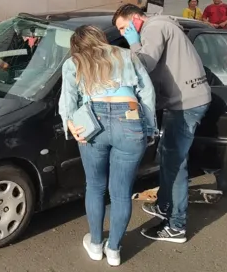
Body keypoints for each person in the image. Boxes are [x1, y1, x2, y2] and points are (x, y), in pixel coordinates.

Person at [112, 4, 211, 243]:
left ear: (136, 18)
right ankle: (165, 206)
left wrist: (134, 44)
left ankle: (176, 225)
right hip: (185, 101)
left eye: (125, 28)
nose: (125, 34)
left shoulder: (153, 29)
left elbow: (144, 64)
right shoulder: (163, 25)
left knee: (175, 165)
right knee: (168, 160)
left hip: (185, 104)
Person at [59, 25, 157, 266]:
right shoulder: (126, 55)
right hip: (130, 119)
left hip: (94, 121)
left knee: (94, 186)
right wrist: (150, 128)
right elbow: (147, 93)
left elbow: (68, 100)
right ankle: (113, 250)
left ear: (77, 46)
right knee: (121, 192)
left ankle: (94, 244)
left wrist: (69, 124)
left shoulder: (74, 62)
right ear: (100, 38)